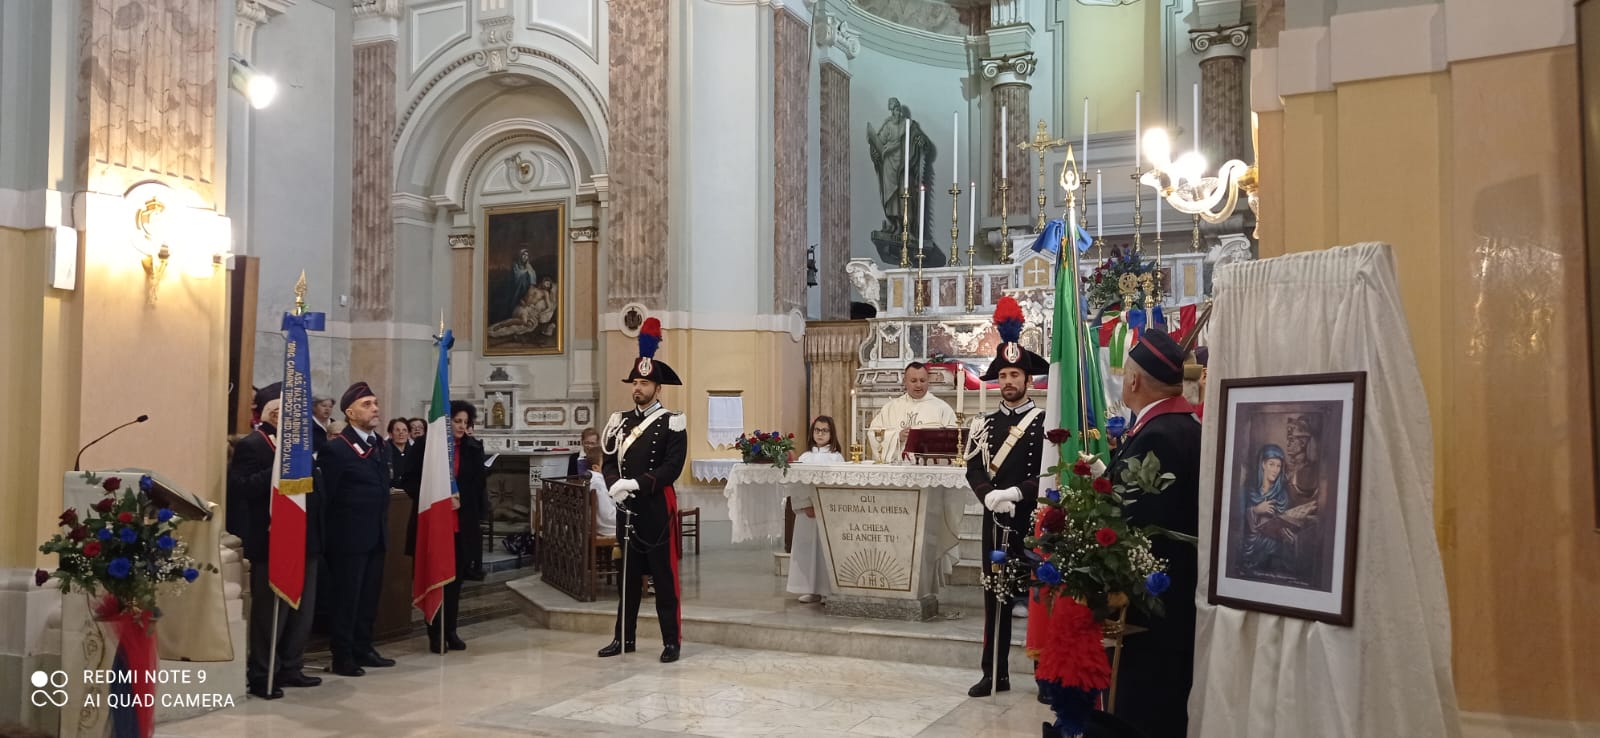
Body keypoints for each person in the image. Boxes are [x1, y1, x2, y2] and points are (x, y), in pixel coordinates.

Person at [1109, 329, 1203, 738]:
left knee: (1146, 709)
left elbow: (1143, 526)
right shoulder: (1184, 426)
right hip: (1176, 603)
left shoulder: (1160, 436)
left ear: (1133, 381)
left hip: (1151, 610)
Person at [961, 297, 1049, 698]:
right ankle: (994, 673)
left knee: (1040, 594)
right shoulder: (984, 423)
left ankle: (1046, 675)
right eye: (1005, 375)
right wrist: (990, 496)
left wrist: (1018, 492)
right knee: (994, 596)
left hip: (1035, 520)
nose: (1010, 381)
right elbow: (973, 467)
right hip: (995, 519)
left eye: (1017, 374)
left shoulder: (1046, 423)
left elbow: (1050, 471)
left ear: (1029, 380)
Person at [596, 317, 688, 664]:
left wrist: (635, 483)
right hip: (627, 511)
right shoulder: (619, 420)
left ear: (657, 388)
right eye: (635, 382)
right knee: (627, 580)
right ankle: (623, 639)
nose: (638, 388)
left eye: (645, 382)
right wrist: (613, 485)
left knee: (664, 581)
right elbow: (607, 460)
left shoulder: (672, 421)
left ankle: (671, 642)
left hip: (655, 509)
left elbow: (671, 468)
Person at [227, 394, 324, 699]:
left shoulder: (301, 447)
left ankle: (291, 666)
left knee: (302, 610)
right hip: (272, 539)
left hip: (306, 537)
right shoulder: (252, 445)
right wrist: (280, 470)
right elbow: (240, 487)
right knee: (271, 612)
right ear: (270, 414)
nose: (292, 417)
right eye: (285, 412)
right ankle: (262, 672)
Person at [318, 381, 395, 677]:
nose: (375, 409)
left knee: (368, 597)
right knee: (346, 599)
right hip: (347, 539)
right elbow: (329, 498)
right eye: (367, 404)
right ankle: (343, 655)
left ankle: (364, 647)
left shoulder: (379, 445)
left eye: (375, 403)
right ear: (349, 412)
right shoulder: (337, 449)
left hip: (375, 534)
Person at [788, 416, 843, 604]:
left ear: (831, 434)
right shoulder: (804, 457)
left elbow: (837, 486)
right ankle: (810, 589)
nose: (820, 434)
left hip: (826, 513)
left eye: (825, 430)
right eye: (817, 430)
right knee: (807, 551)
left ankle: (827, 590)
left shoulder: (837, 458)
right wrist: (805, 505)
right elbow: (797, 485)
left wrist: (821, 506)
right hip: (807, 513)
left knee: (825, 551)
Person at [867, 361, 959, 463]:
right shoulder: (891, 407)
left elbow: (955, 437)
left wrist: (933, 437)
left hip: (930, 469)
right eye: (914, 381)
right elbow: (873, 433)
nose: (918, 385)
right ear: (905, 381)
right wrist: (897, 437)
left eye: (922, 380)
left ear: (928, 381)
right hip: (898, 468)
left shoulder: (942, 408)